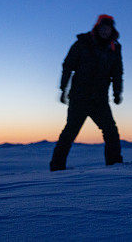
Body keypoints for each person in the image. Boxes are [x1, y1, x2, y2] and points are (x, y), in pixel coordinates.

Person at [50, 14, 124, 171]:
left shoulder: (114, 48)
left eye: (108, 28)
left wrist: (117, 92)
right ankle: (56, 167)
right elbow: (68, 65)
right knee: (70, 131)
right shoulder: (83, 43)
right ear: (98, 27)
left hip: (100, 99)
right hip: (79, 97)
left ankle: (115, 166)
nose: (105, 31)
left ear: (112, 30)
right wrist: (63, 89)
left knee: (111, 131)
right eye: (103, 28)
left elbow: (117, 72)